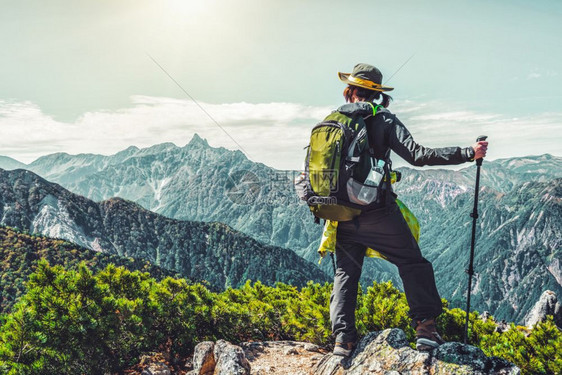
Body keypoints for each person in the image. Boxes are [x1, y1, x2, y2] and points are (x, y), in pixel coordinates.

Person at [330, 63, 488, 356]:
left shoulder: (332, 121)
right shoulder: (385, 121)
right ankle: (426, 330)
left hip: (340, 215)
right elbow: (418, 155)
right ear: (376, 94)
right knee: (413, 263)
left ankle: (343, 340)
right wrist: (467, 153)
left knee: (345, 274)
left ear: (349, 91)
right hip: (377, 212)